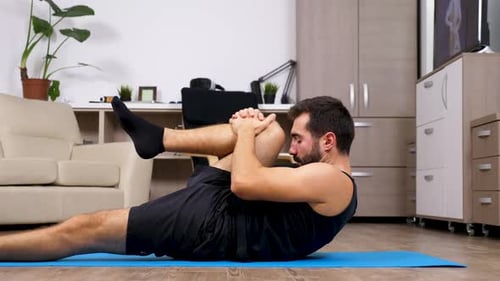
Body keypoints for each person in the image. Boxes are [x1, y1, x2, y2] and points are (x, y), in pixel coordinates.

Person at [0, 95, 357, 261]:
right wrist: (254, 130)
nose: (293, 150)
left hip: (213, 226)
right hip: (225, 208)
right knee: (271, 133)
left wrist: (244, 132)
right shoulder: (325, 177)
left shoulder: (333, 180)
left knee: (83, 228)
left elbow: (245, 184)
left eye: (299, 139)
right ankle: (160, 139)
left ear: (328, 141)